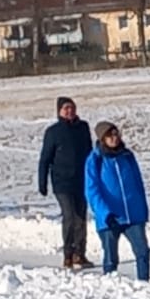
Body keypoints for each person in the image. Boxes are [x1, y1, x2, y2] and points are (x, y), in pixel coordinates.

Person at [85, 122, 150, 278]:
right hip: (110, 218)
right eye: (109, 135)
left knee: (142, 252)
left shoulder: (127, 156)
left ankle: (144, 283)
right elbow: (92, 190)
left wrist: (142, 209)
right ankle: (111, 285)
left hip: (133, 215)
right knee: (111, 257)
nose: (114, 138)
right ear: (102, 138)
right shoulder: (95, 159)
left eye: (116, 134)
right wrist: (104, 213)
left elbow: (138, 183)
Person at [38, 96, 94, 269]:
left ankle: (80, 254)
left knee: (80, 217)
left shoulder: (83, 128)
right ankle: (68, 254)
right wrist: (42, 182)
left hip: (81, 181)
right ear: (59, 111)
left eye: (72, 108)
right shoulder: (53, 132)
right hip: (62, 182)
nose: (69, 111)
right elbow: (45, 158)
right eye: (65, 108)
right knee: (69, 216)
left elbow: (90, 153)